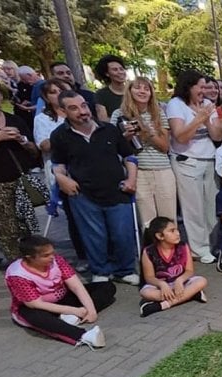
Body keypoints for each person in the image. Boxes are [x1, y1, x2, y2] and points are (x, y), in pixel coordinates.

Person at [51, 91, 139, 284]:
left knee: (122, 234)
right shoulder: (59, 136)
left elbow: (129, 157)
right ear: (62, 111)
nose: (82, 111)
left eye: (83, 105)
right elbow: (58, 164)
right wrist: (61, 178)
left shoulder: (109, 129)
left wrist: (131, 179)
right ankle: (101, 271)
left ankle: (125, 270)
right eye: (74, 108)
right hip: (83, 195)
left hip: (117, 191)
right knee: (93, 236)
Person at [5, 235, 114, 347]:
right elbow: (35, 304)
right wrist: (73, 310)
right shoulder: (17, 275)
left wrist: (91, 310)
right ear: (30, 257)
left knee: (107, 287)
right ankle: (84, 336)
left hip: (63, 298)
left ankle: (75, 316)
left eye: (52, 252)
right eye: (46, 255)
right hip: (38, 308)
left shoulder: (57, 260)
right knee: (38, 318)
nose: (52, 257)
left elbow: (76, 286)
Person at [0, 75, 41, 261]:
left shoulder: (14, 119)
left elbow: (34, 151)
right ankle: (17, 267)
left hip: (20, 180)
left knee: (27, 225)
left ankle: (33, 263)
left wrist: (22, 140)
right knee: (7, 229)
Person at [33, 79, 87, 271]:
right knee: (73, 215)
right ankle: (82, 255)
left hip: (85, 169)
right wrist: (65, 133)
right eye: (53, 92)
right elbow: (44, 145)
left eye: (61, 90)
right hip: (60, 170)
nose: (58, 94)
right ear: (46, 97)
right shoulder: (42, 119)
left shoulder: (82, 114)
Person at [110, 77, 175, 229]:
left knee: (169, 218)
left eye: (147, 89)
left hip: (162, 169)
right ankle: (150, 251)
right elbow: (113, 146)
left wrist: (146, 131)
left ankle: (171, 252)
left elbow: (165, 147)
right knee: (147, 221)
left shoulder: (158, 113)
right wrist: (126, 137)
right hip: (138, 172)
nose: (142, 91)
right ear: (129, 91)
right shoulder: (118, 114)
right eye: (138, 88)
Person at [167, 70, 218, 264]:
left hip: (209, 159)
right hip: (186, 161)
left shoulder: (206, 105)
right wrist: (199, 119)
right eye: (201, 86)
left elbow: (216, 135)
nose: (204, 91)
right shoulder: (175, 105)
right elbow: (180, 136)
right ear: (189, 86)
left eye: (206, 86)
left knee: (211, 207)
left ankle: (214, 246)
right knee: (193, 208)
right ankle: (199, 249)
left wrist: (207, 119)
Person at [138, 216, 208, 317]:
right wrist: (162, 284)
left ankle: (163, 305)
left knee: (202, 281)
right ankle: (191, 295)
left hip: (181, 283)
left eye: (177, 230)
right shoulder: (148, 251)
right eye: (172, 231)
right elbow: (149, 277)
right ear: (159, 236)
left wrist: (179, 280)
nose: (178, 233)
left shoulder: (183, 246)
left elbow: (189, 271)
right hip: (161, 287)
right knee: (145, 292)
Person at [94, 55, 128, 122]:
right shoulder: (101, 95)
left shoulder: (133, 91)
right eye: (115, 70)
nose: (120, 72)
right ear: (107, 74)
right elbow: (103, 119)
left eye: (121, 69)